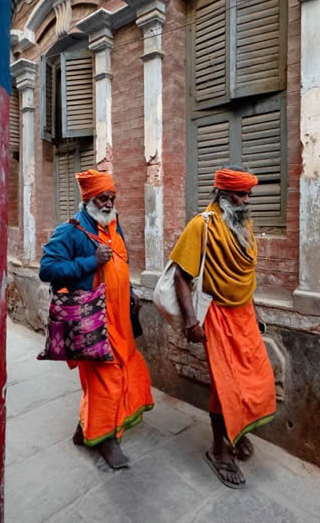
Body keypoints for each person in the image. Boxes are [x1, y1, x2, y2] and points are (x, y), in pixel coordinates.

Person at [169, 166, 276, 489]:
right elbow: (180, 277)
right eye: (239, 195)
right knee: (226, 386)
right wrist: (190, 323)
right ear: (222, 195)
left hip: (243, 315)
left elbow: (245, 277)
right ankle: (220, 451)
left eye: (248, 195)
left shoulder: (244, 225)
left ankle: (236, 431)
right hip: (215, 316)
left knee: (258, 382)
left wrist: (253, 311)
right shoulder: (200, 226)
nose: (246, 201)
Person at [39, 169, 153, 469]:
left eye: (112, 198)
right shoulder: (71, 231)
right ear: (88, 198)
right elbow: (47, 270)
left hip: (121, 320)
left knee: (128, 372)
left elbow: (120, 263)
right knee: (106, 382)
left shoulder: (114, 226)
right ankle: (106, 440)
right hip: (93, 322)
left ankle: (85, 431)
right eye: (103, 198)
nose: (108, 204)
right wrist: (90, 261)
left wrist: (129, 292)